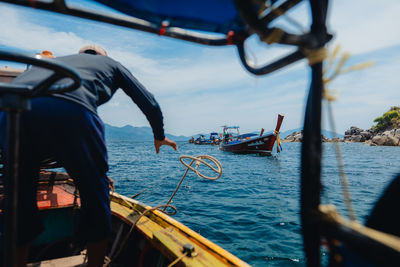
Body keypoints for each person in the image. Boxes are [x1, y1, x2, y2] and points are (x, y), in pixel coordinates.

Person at [0, 44, 177, 266]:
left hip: (10, 111)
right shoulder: (110, 63)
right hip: (73, 110)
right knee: (95, 195)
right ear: (103, 56)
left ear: (80, 55)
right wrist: (159, 135)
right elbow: (148, 101)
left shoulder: (56, 61)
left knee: (19, 197)